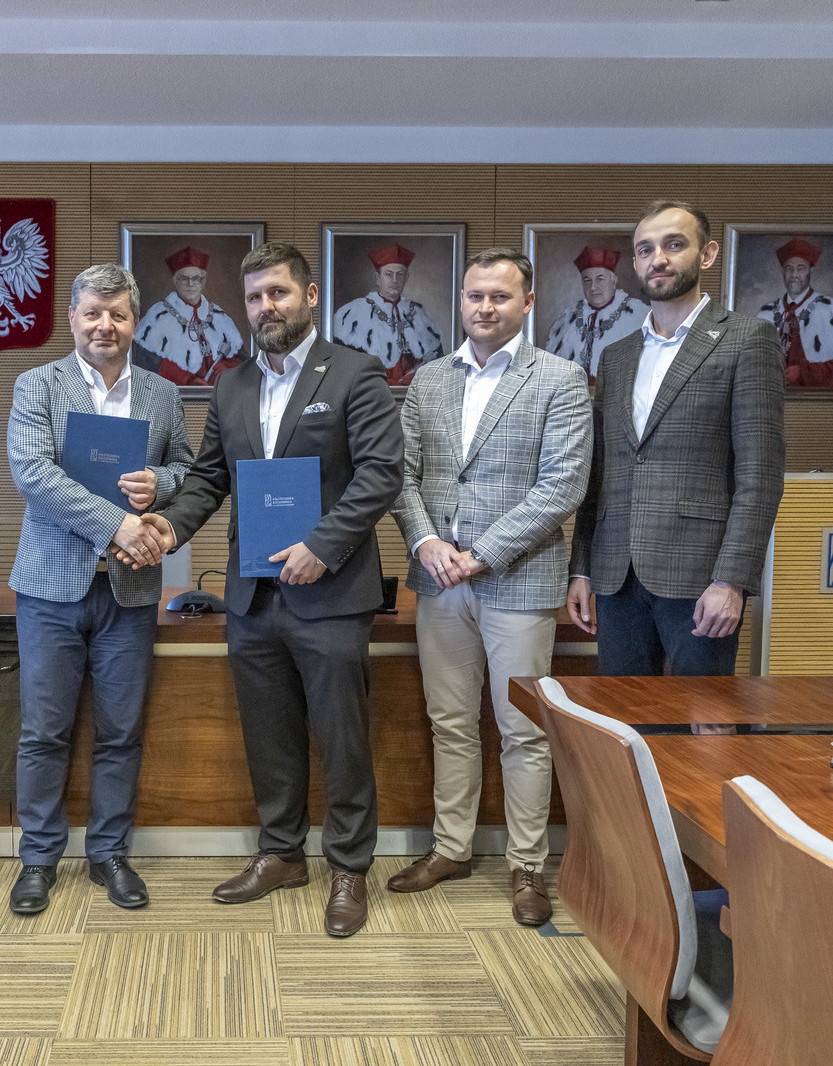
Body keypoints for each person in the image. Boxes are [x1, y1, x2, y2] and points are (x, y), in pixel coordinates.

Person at [135, 242, 404, 938]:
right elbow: (208, 477)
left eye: (278, 293)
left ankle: (349, 867)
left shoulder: (355, 373)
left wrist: (322, 545)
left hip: (332, 593)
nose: (266, 307)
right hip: (253, 595)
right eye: (254, 297)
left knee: (342, 740)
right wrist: (170, 526)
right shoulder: (231, 385)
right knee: (269, 735)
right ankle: (282, 853)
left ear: (310, 297)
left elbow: (381, 472)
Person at [389, 247, 591, 924]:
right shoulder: (428, 380)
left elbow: (562, 485)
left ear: (527, 303)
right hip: (438, 581)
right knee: (449, 723)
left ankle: (527, 866)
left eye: (500, 296)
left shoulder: (560, 379)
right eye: (475, 295)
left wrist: (480, 555)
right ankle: (451, 847)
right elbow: (402, 474)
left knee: (523, 732)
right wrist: (426, 542)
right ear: (461, 300)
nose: (485, 307)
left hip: (518, 581)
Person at [4, 263, 193, 915]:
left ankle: (109, 852)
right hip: (50, 589)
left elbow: (187, 468)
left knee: (121, 731)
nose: (104, 325)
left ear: (135, 321)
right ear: (73, 318)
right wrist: (117, 524)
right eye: (92, 313)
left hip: (130, 591)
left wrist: (160, 485)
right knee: (43, 732)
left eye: (117, 314)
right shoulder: (37, 384)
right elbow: (32, 472)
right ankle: (37, 859)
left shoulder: (162, 394)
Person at [567, 200, 785, 676]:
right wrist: (581, 567)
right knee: (621, 714)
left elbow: (760, 476)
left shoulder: (747, 340)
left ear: (707, 254)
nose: (658, 259)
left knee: (703, 717)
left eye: (674, 245)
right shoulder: (616, 356)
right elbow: (598, 473)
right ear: (635, 262)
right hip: (616, 576)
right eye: (646, 250)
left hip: (701, 578)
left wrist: (731, 580)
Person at [332, 243, 444, 385]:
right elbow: (342, 365)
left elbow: (437, 363)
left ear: (407, 277)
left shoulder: (420, 313)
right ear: (377, 278)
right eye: (388, 274)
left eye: (400, 274)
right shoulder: (353, 312)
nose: (395, 280)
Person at [134, 246, 245, 387]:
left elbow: (242, 361)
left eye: (196, 278)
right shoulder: (158, 315)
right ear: (175, 281)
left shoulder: (219, 316)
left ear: (203, 282)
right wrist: (187, 380)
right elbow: (145, 363)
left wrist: (227, 368)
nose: (190, 284)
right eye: (184, 278)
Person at [757, 236, 833, 389]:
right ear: (782, 271)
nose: (794, 275)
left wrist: (803, 372)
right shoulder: (767, 312)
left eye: (801, 268)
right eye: (789, 268)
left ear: (811, 271)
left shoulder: (830, 309)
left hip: (814, 399)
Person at [544, 246, 648, 384]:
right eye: (587, 280)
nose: (593, 287)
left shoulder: (638, 313)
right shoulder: (567, 318)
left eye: (600, 279)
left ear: (613, 281)